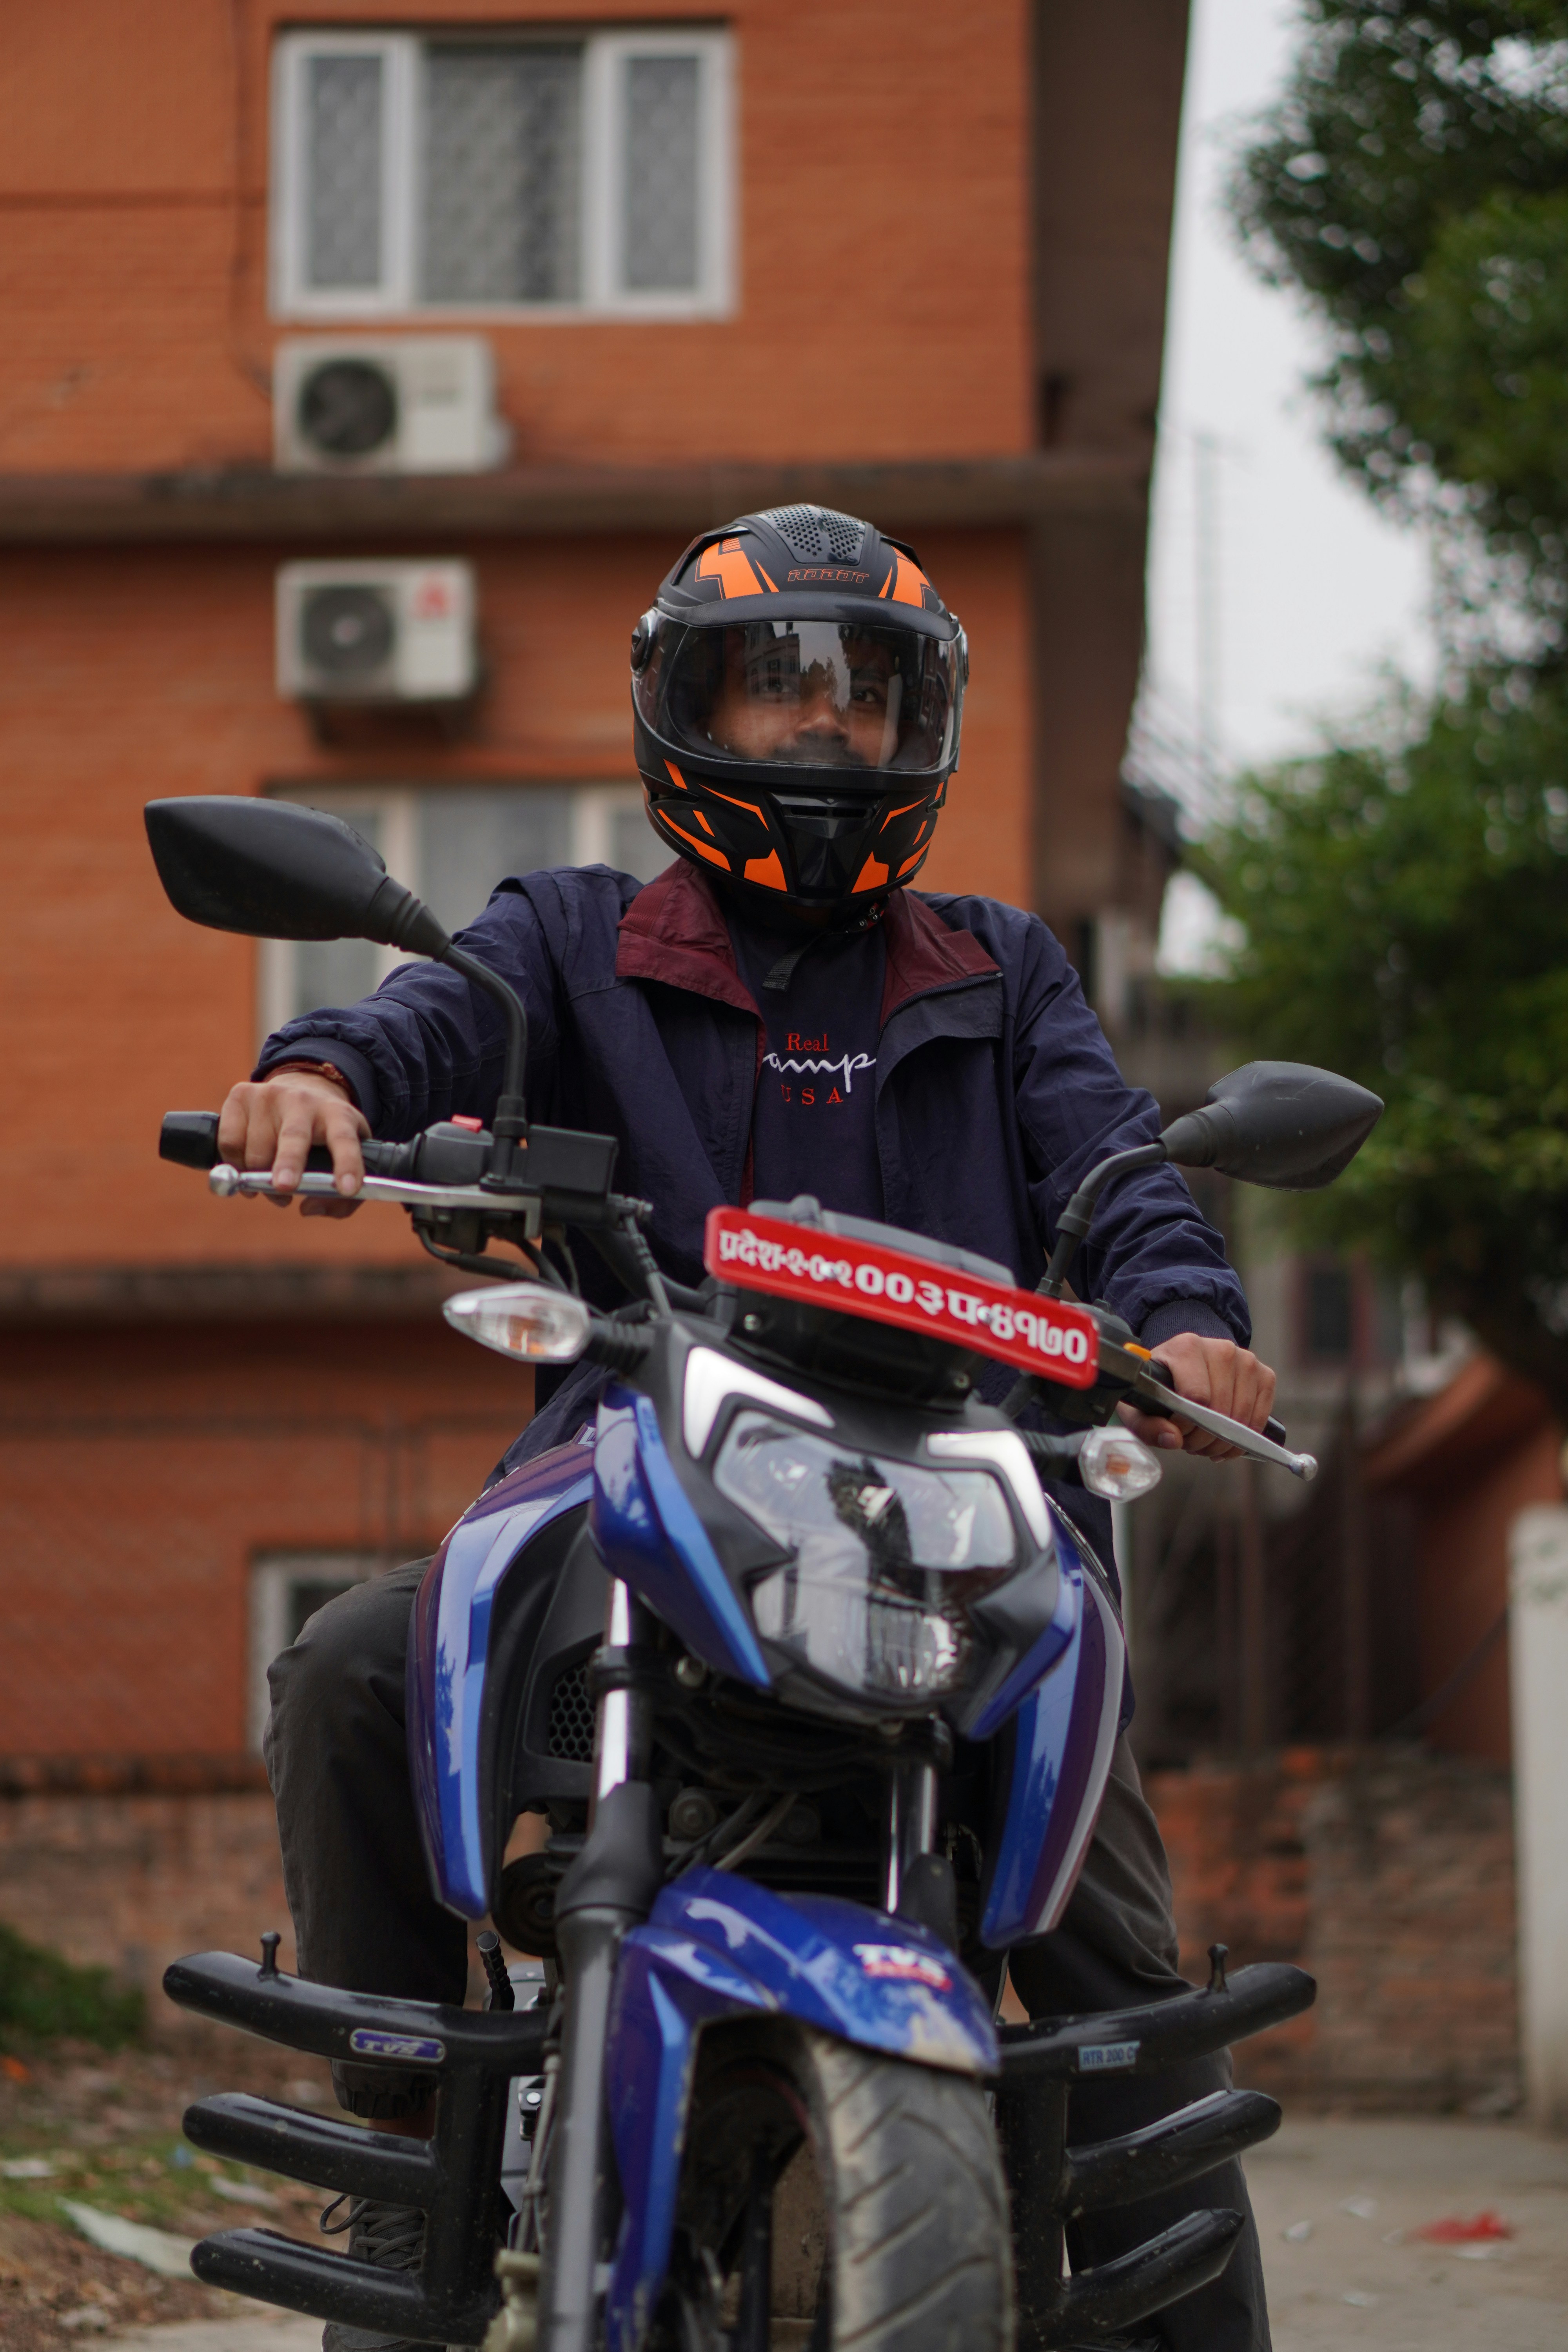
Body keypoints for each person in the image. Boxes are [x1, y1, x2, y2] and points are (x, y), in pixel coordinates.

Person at [229, 508, 1277, 2352]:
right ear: (680, 707)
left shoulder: (998, 968)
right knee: (351, 1671)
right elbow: (429, 1022)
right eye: (772, 687)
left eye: (864, 698)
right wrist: (319, 1074)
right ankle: (407, 2128)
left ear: (916, 732)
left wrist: (1190, 1321)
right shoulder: (567, 936)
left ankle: (1184, 2307)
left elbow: (1119, 1167)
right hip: (636, 1500)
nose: (819, 731)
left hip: (967, 1537)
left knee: (1116, 1970)